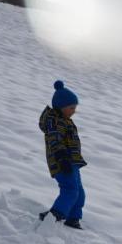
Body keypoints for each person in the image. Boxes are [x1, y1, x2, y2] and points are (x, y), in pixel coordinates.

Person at [38, 80, 87, 230]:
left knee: (79, 192)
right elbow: (55, 139)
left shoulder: (65, 120)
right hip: (62, 162)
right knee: (70, 190)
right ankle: (54, 215)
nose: (74, 110)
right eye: (71, 107)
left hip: (72, 162)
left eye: (75, 107)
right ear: (62, 106)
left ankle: (73, 218)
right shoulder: (55, 121)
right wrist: (62, 157)